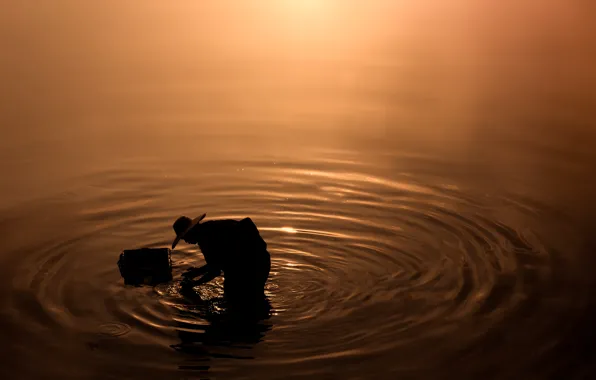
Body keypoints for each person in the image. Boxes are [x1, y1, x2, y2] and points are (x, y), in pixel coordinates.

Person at [171, 214, 271, 302]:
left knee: (235, 298)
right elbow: (218, 262)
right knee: (252, 297)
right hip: (260, 261)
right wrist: (196, 272)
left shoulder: (206, 240)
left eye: (184, 237)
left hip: (251, 266)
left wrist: (194, 284)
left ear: (190, 232)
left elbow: (215, 271)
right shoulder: (209, 228)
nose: (186, 241)